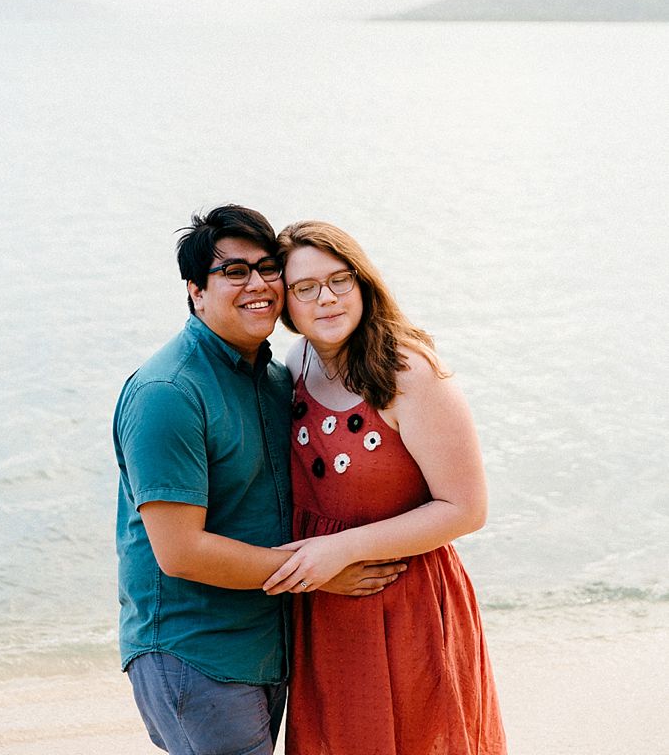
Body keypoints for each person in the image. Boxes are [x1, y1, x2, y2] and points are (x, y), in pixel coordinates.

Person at [113, 205, 405, 755]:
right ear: (196, 291)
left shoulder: (275, 379)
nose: (259, 285)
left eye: (269, 268)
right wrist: (320, 572)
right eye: (234, 271)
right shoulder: (167, 393)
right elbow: (180, 552)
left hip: (267, 645)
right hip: (194, 650)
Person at [261, 221, 504, 753]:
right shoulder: (295, 365)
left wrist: (341, 549)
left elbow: (466, 508)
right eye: (305, 287)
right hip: (325, 601)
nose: (325, 298)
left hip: (405, 597)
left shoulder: (409, 372)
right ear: (285, 304)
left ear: (364, 284)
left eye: (340, 280)